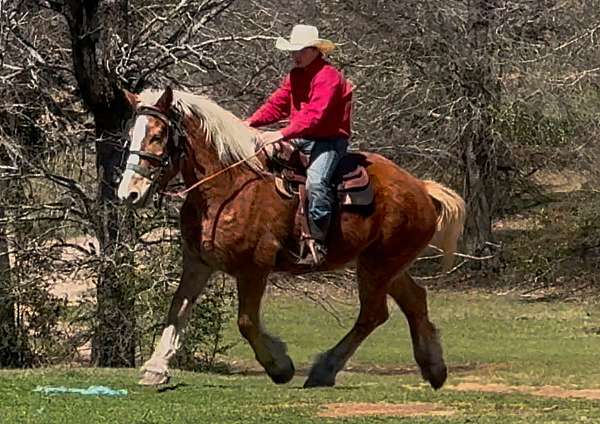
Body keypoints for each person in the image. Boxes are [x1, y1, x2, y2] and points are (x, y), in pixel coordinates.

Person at [245, 24, 353, 267]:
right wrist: (251, 121)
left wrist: (281, 133)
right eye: (294, 50)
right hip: (301, 135)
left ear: (315, 50)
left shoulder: (329, 77)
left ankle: (318, 240)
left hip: (329, 140)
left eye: (301, 50)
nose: (296, 55)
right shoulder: (295, 76)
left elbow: (316, 115)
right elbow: (277, 105)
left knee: (316, 182)